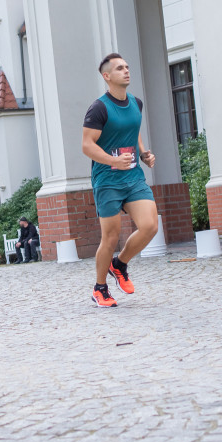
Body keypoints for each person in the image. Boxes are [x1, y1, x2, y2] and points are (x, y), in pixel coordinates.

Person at [82, 53, 159, 307]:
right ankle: (100, 288)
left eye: (126, 67)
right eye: (119, 68)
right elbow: (87, 145)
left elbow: (133, 132)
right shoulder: (99, 108)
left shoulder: (136, 103)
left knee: (149, 226)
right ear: (107, 76)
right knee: (111, 237)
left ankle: (120, 264)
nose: (126, 71)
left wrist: (144, 153)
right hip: (107, 180)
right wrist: (113, 161)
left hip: (134, 177)